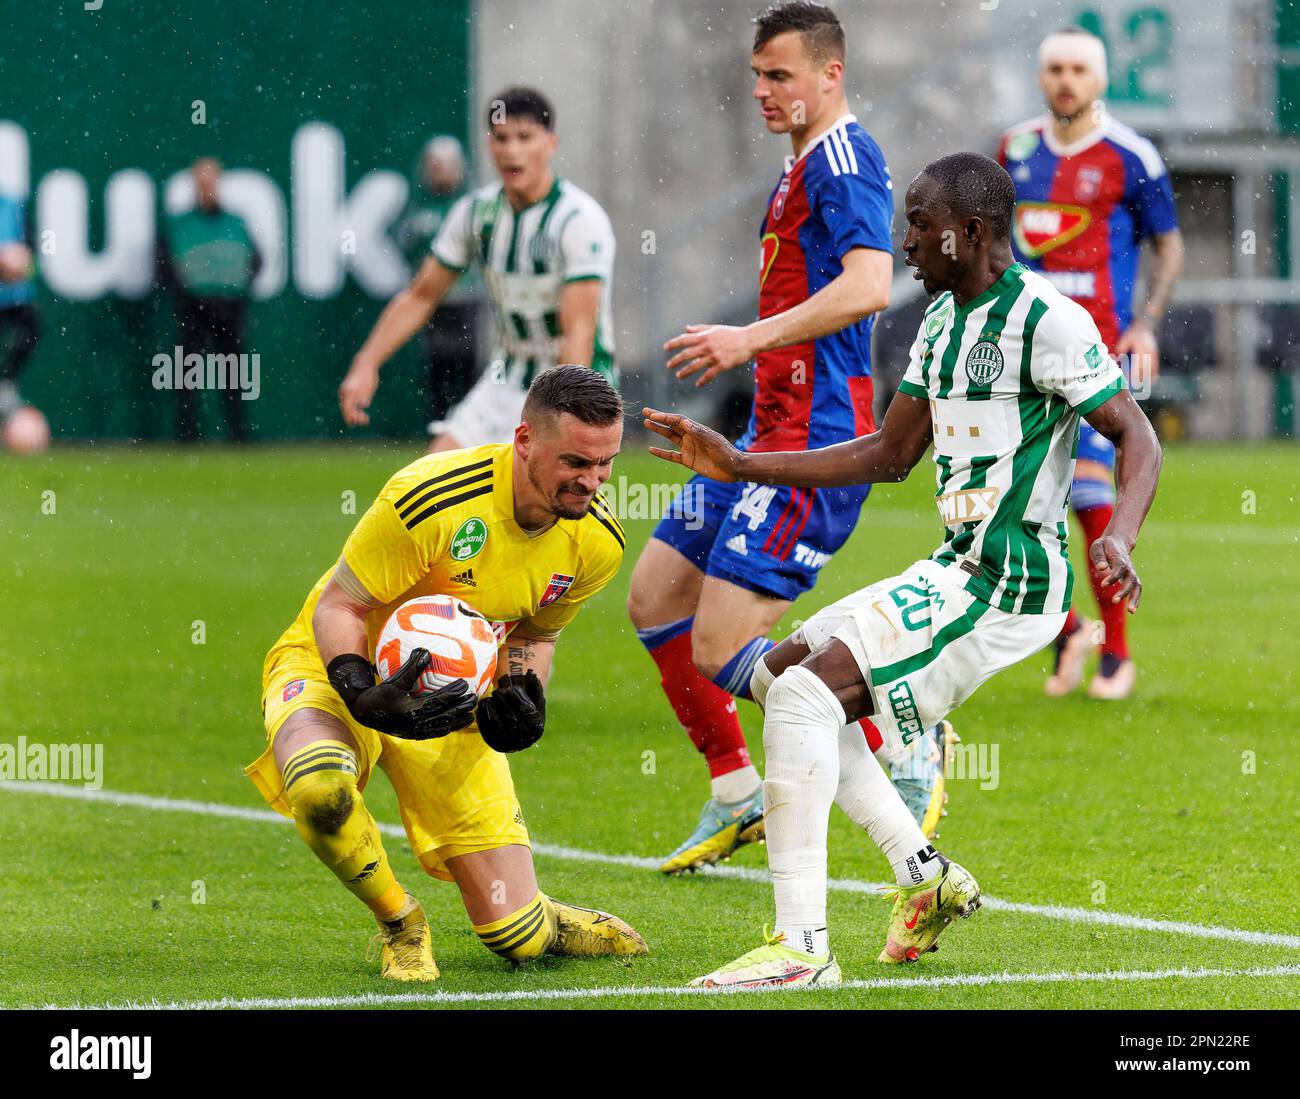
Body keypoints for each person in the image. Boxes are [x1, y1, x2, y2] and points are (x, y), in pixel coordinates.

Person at [644, 152, 1162, 989]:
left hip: (1010, 583)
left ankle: (801, 947)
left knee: (811, 697)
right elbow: (890, 455)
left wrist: (1121, 536)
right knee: (780, 677)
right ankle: (923, 873)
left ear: (974, 232)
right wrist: (741, 465)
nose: (907, 241)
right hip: (957, 566)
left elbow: (1139, 435)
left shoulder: (1048, 320)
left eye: (921, 224)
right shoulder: (942, 321)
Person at [627, 2, 950, 876]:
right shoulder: (800, 164)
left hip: (815, 439)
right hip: (761, 430)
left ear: (830, 74)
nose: (763, 90)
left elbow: (871, 285)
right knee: (657, 595)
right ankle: (735, 794)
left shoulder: (844, 160)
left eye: (781, 75)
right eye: (757, 74)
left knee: (720, 644)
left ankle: (898, 728)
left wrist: (748, 339)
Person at [245, 366, 645, 981]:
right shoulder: (430, 497)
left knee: (517, 938)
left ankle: (545, 922)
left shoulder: (597, 544)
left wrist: (520, 697)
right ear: (524, 439)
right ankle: (401, 924)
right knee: (319, 789)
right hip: (336, 662)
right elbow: (341, 605)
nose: (590, 482)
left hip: (451, 702)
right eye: (574, 463)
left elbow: (536, 635)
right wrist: (358, 688)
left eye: (605, 464)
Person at [998, 27, 1183, 700]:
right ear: (1041, 77)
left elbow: (1168, 245)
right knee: (1005, 501)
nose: (1065, 80)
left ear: (1100, 79)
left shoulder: (1131, 155)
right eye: (1054, 69)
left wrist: (1145, 324)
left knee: (1088, 491)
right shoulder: (1014, 149)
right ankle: (1069, 627)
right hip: (1027, 347)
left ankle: (1117, 653)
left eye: (1078, 69)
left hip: (1106, 348)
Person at [339, 88, 617, 451]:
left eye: (524, 137)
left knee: (524, 494)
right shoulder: (476, 213)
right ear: (489, 145)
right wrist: (367, 361)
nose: (511, 150)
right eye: (501, 138)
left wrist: (561, 415)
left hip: (573, 384)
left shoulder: (578, 220)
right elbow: (421, 296)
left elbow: (578, 330)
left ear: (550, 143)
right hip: (506, 376)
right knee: (430, 483)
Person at [157, 157, 263, 443]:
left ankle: (238, 434)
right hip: (193, 308)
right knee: (188, 372)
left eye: (211, 180)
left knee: (233, 373)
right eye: (201, 181)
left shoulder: (235, 222)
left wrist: (237, 290)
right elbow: (164, 265)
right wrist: (186, 294)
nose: (206, 187)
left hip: (229, 307)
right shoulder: (181, 225)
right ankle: (187, 433)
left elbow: (256, 260)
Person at [394, 135, 479, 425]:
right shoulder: (419, 210)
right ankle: (439, 421)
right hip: (433, 298)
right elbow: (404, 245)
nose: (440, 172)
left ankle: (467, 423)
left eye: (445, 165)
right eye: (435, 166)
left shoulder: (469, 207)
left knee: (466, 360)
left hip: (465, 296)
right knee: (436, 361)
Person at [0, 191, 47, 454]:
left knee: (28, 327)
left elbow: (35, 263)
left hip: (12, 302)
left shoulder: (13, 208)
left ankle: (6, 386)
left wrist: (21, 265)